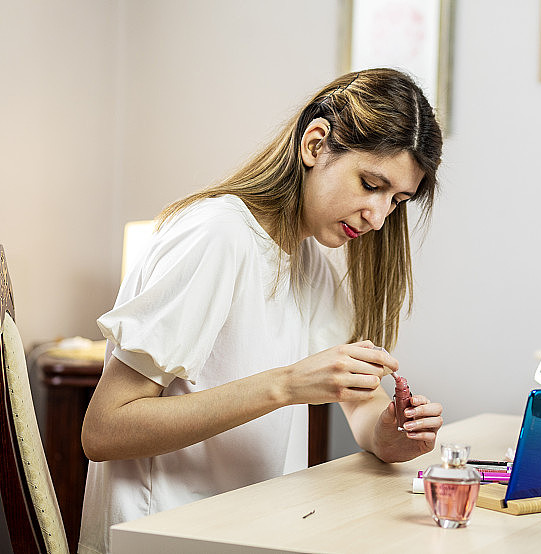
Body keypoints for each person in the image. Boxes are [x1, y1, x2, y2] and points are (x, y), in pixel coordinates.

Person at [78, 68, 444, 554]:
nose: (378, 218)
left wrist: (389, 433)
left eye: (396, 201)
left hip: (252, 531)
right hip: (163, 536)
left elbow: (359, 402)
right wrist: (286, 385)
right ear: (315, 145)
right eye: (370, 184)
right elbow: (104, 430)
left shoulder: (312, 257)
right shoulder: (216, 236)